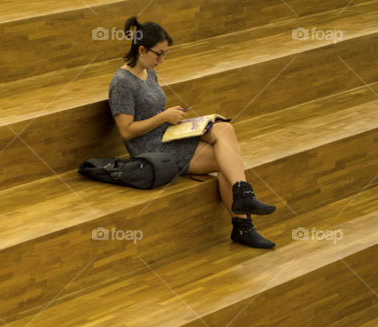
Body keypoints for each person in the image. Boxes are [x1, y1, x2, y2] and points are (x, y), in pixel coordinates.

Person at [107, 16, 277, 249]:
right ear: (142, 50)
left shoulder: (149, 72)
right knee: (225, 159)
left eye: (165, 54)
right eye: (159, 54)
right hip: (151, 150)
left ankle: (243, 196)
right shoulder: (122, 82)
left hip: (167, 134)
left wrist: (172, 120)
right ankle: (242, 224)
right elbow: (126, 132)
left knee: (224, 128)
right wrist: (163, 117)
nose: (162, 60)